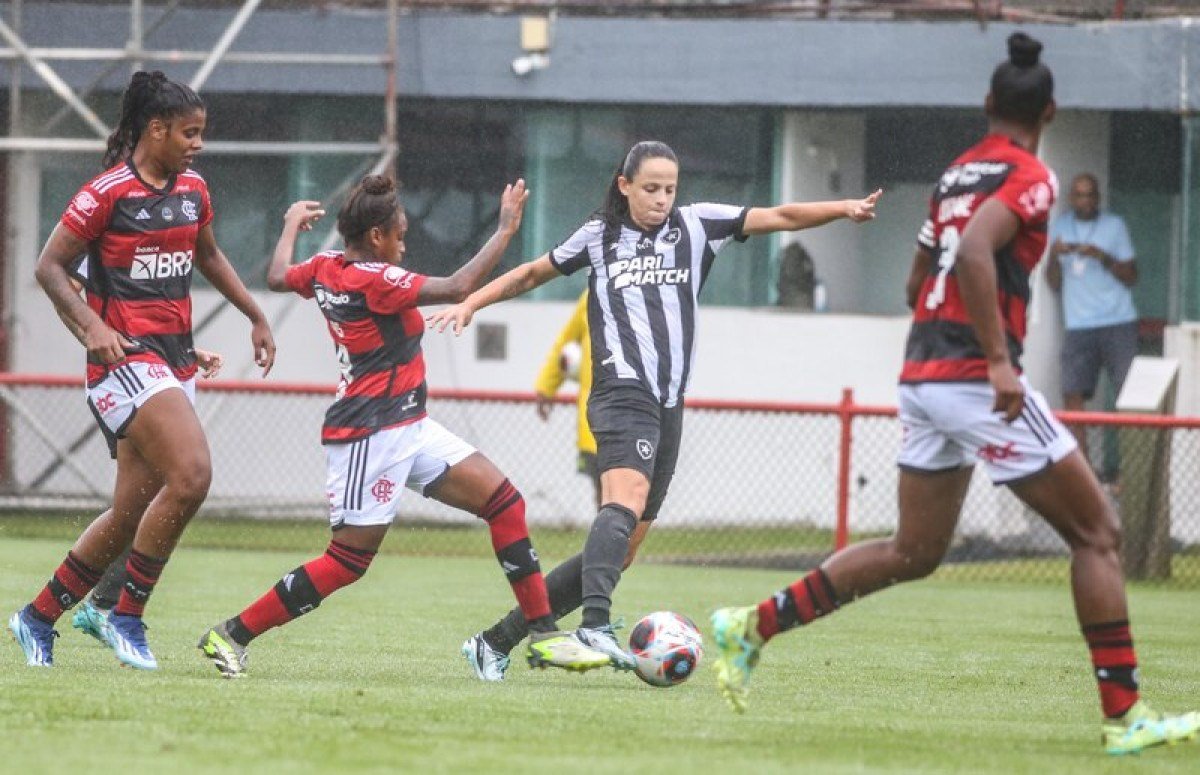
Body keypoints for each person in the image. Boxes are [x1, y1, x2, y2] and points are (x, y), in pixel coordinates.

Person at [709, 33, 1199, 756]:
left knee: (915, 549)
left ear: (988, 105)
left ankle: (751, 624)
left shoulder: (955, 174)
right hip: (974, 377)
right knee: (1098, 532)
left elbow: (918, 282)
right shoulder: (1031, 175)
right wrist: (1000, 361)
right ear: (1051, 111)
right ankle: (1125, 716)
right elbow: (974, 250)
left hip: (924, 377)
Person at [428, 140, 881, 680]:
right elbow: (531, 274)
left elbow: (779, 215)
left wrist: (844, 207)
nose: (662, 199)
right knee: (626, 498)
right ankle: (595, 623)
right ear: (624, 185)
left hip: (669, 403)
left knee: (621, 552)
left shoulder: (698, 225)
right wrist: (470, 302)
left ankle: (494, 642)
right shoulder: (599, 236)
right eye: (650, 189)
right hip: (621, 390)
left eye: (669, 188)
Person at [196, 175, 611, 678]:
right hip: (368, 436)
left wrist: (288, 227)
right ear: (376, 237)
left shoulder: (327, 267)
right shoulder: (377, 280)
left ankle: (542, 634)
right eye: (400, 234)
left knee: (505, 505)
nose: (404, 243)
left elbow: (280, 277)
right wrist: (504, 232)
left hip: (408, 423)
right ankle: (232, 633)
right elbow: (458, 287)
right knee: (347, 563)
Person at [9, 70, 276, 670]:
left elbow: (207, 255)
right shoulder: (106, 192)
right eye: (190, 132)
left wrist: (254, 314)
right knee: (193, 473)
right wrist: (93, 328)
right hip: (124, 364)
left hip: (170, 361)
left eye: (200, 133)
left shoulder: (193, 191)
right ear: (155, 129)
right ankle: (124, 614)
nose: (197, 144)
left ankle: (37, 616)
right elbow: (49, 268)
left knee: (129, 513)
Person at [1045, 172, 1138, 475]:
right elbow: (1053, 284)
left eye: (1090, 195)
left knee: (1128, 396)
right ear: (1072, 198)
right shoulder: (1060, 227)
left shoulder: (1114, 226)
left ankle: (1130, 474)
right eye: (1079, 195)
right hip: (1079, 324)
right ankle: (1082, 472)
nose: (1084, 200)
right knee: (1072, 394)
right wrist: (1053, 257)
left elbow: (1132, 276)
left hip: (1117, 321)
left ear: (1098, 198)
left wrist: (1103, 257)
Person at [534, 290, 601, 508]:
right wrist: (546, 387)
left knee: (631, 490)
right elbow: (565, 343)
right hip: (593, 421)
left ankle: (620, 539)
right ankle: (611, 540)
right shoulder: (593, 296)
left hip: (637, 414)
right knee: (603, 488)